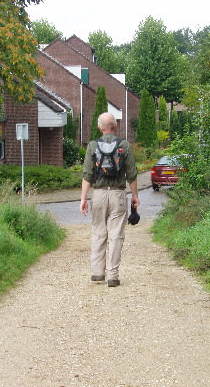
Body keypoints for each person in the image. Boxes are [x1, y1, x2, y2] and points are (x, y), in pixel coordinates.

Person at [80, 112, 140, 287]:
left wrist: (83, 198)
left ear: (100, 127)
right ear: (115, 126)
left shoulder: (92, 146)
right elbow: (132, 174)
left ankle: (98, 273)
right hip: (118, 194)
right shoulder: (125, 146)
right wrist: (135, 196)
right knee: (116, 235)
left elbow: (87, 175)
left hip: (98, 194)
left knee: (99, 232)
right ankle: (113, 275)